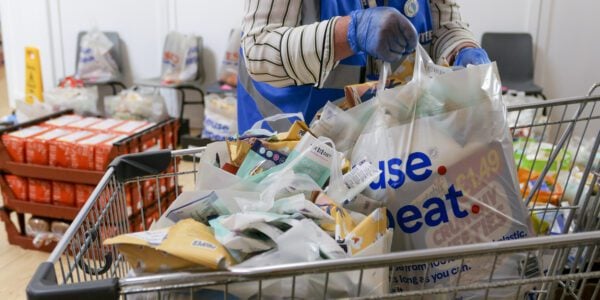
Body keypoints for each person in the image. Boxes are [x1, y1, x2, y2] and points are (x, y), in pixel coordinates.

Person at [237, 0, 490, 133]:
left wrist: (462, 49)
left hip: (390, 144)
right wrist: (350, 32)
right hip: (296, 150)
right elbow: (260, 51)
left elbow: (443, 22)